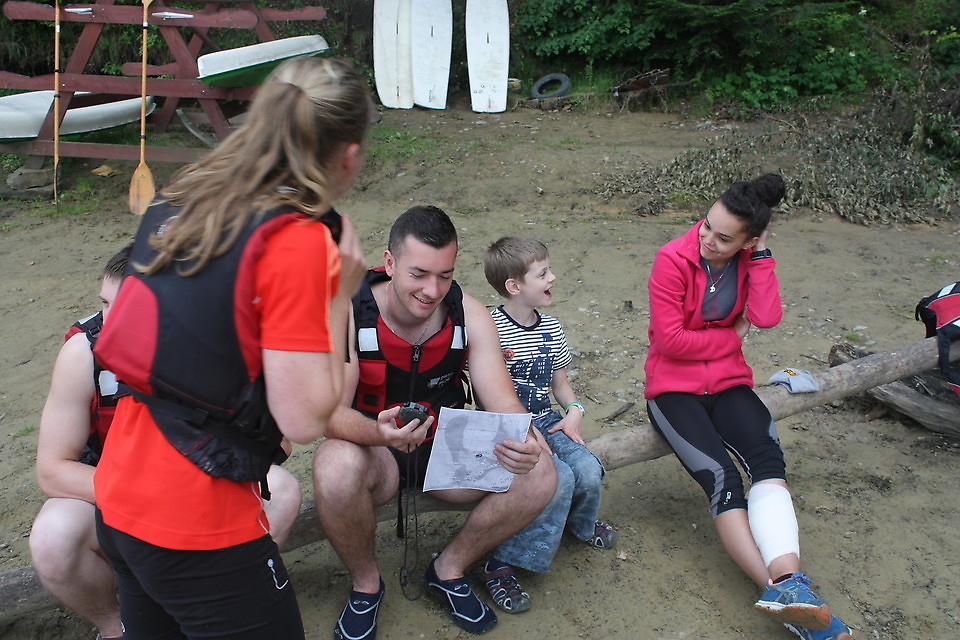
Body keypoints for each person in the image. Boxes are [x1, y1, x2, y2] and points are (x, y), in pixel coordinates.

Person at [89, 56, 371, 640]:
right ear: (348, 156)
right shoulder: (298, 244)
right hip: (197, 522)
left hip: (119, 496)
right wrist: (339, 297)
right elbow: (305, 418)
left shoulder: (187, 197)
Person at [312, 205, 557, 639]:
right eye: (419, 274)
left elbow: (502, 400)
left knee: (539, 469)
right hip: (373, 450)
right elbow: (329, 414)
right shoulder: (350, 310)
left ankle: (448, 569)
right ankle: (366, 585)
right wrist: (377, 433)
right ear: (390, 263)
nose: (432, 290)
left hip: (445, 449)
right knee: (333, 464)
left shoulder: (469, 314)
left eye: (445, 275)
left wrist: (525, 439)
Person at [643, 173, 853, 640]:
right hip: (672, 388)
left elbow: (766, 317)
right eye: (706, 226)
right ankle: (781, 593)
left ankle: (792, 583)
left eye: (724, 237)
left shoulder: (750, 258)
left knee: (767, 461)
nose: (707, 239)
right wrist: (730, 337)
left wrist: (761, 258)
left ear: (749, 240)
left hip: (729, 382)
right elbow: (671, 342)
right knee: (723, 479)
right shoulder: (671, 258)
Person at [478, 236, 617, 614]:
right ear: (514, 286)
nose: (553, 277)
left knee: (587, 468)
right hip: (507, 428)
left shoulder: (552, 328)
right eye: (542, 274)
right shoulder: (490, 328)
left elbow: (560, 384)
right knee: (561, 478)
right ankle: (501, 562)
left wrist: (575, 410)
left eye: (549, 270)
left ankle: (577, 524)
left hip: (548, 419)